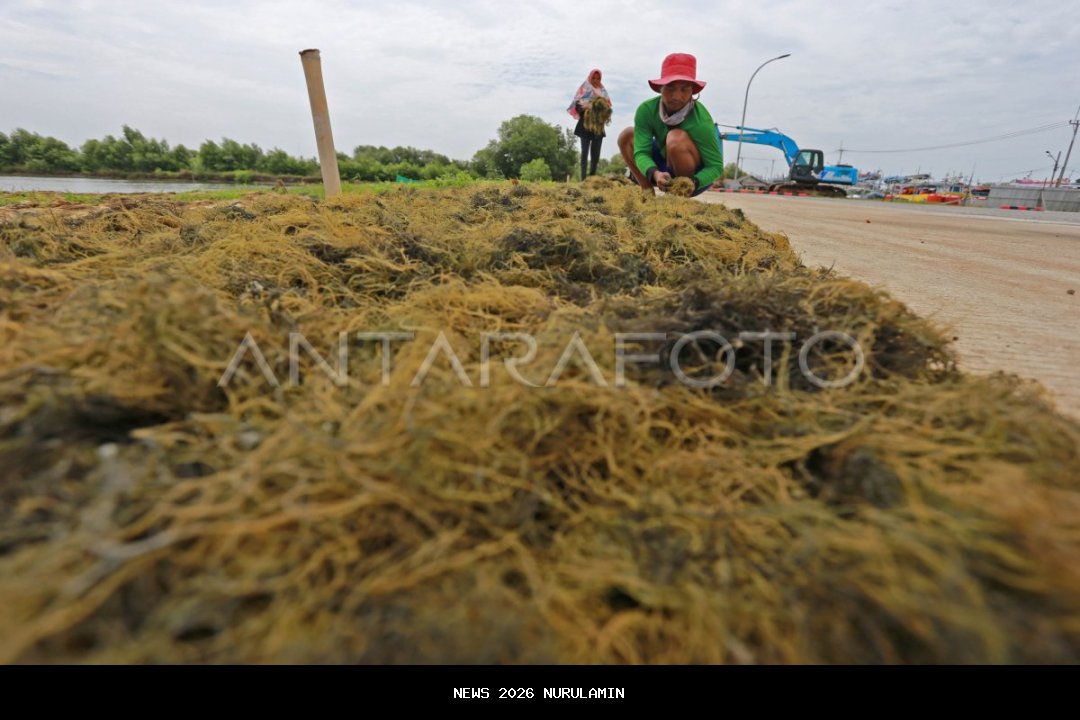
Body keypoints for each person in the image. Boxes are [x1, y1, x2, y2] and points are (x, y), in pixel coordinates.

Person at [618, 53, 724, 197]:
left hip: (693, 180)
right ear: (660, 88)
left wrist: (694, 182)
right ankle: (647, 192)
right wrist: (655, 174)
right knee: (627, 136)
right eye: (670, 87)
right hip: (662, 167)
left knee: (675, 138)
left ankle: (679, 196)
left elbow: (715, 167)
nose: (677, 96)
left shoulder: (702, 121)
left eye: (684, 89)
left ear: (693, 90)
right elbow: (641, 152)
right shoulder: (647, 110)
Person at [568, 69, 611, 181]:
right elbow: (577, 106)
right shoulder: (584, 89)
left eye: (598, 78)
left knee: (595, 154)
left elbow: (607, 108)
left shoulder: (603, 92)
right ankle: (583, 179)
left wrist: (599, 109)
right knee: (584, 153)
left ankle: (592, 179)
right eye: (594, 78)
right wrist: (585, 107)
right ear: (590, 78)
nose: (596, 80)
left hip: (598, 126)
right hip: (585, 125)